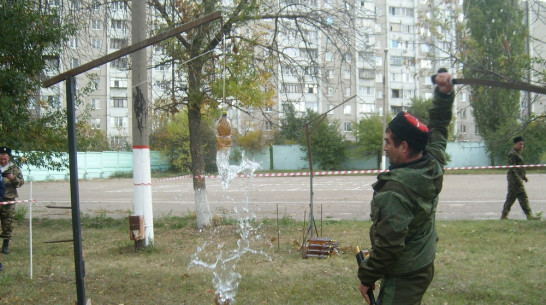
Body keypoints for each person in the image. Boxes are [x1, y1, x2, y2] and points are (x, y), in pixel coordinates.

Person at [357, 71, 454, 304]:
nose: (384, 148)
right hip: (422, 263)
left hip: (404, 275)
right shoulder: (433, 162)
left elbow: (389, 247)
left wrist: (366, 275)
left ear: (403, 146)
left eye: (388, 142)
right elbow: (439, 126)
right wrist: (444, 94)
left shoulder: (394, 193)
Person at [500, 137, 538, 220]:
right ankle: (529, 215)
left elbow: (520, 167)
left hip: (518, 177)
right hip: (514, 178)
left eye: (523, 144)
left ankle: (504, 215)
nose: (522, 146)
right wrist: (518, 179)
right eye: (520, 144)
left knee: (511, 197)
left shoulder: (518, 153)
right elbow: (513, 168)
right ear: (515, 144)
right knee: (522, 196)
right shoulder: (512, 154)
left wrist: (524, 177)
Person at [0, 147, 25, 255]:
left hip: (8, 199)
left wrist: (12, 178)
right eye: (1, 159)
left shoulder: (14, 168)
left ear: (9, 158)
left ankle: (5, 245)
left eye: (5, 159)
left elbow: (21, 182)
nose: (3, 161)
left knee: (8, 223)